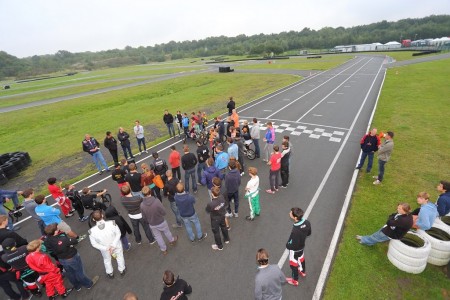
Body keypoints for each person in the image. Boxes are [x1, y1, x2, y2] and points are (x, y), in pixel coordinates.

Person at [44, 224, 99, 292]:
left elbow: (50, 250)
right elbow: (75, 241)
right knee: (79, 272)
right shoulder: (62, 239)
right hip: (71, 257)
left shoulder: (46, 241)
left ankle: (77, 286)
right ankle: (88, 284)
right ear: (55, 232)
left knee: (70, 273)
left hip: (61, 259)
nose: (58, 229)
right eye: (57, 228)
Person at [140, 186, 178, 255]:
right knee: (166, 231)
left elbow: (144, 217)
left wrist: (148, 221)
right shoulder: (156, 201)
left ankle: (164, 249)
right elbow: (163, 212)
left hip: (152, 224)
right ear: (150, 192)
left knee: (158, 237)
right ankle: (171, 240)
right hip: (161, 221)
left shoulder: (142, 205)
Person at [88, 211, 126, 279]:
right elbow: (118, 234)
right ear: (102, 215)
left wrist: (106, 248)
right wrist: (113, 245)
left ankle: (110, 273)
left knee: (107, 260)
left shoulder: (91, 231)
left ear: (93, 219)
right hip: (116, 245)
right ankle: (121, 270)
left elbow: (94, 244)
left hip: (105, 249)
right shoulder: (112, 223)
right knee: (120, 257)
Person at [285, 207, 311, 286]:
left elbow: (292, 244)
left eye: (291, 212)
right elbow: (309, 233)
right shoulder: (307, 222)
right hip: (302, 246)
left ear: (295, 217)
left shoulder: (295, 230)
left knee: (293, 264)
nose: (289, 213)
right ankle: (302, 271)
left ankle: (294, 280)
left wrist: (288, 245)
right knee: (301, 258)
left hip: (294, 250)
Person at [206, 186, 230, 251]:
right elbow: (225, 204)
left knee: (216, 232)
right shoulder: (222, 197)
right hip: (222, 215)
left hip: (215, 219)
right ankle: (226, 239)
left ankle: (219, 246)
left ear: (212, 194)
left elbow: (207, 211)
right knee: (224, 227)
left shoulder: (211, 204)